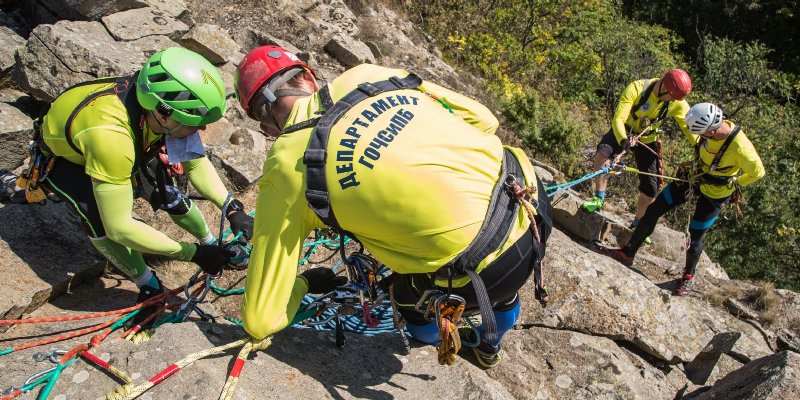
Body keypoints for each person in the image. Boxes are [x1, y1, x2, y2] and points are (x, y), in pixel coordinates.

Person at [235, 45, 552, 368]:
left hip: (485, 268)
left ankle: (451, 335)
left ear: (266, 123)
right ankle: (493, 336)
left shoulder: (285, 164)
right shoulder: (366, 75)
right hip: (530, 199)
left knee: (405, 299)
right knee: (493, 268)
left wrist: (306, 283)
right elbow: (485, 121)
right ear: (307, 77)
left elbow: (260, 320)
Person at [0, 47, 252, 327]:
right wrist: (192, 254)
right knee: (98, 221)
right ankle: (147, 282)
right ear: (164, 115)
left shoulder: (156, 106)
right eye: (193, 124)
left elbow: (194, 162)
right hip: (66, 160)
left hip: (127, 141)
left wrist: (232, 208)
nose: (200, 131)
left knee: (169, 195)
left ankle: (211, 244)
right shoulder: (113, 136)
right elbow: (119, 227)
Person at [601, 102, 765, 295]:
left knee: (696, 236)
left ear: (710, 132)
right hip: (692, 177)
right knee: (654, 210)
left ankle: (688, 277)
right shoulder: (705, 127)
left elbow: (758, 172)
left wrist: (733, 180)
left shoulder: (741, 148)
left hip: (716, 192)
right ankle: (627, 253)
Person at [582, 69, 693, 237]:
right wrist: (623, 140)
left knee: (651, 188)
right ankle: (599, 198)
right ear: (663, 86)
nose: (673, 100)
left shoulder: (676, 102)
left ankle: (637, 223)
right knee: (603, 154)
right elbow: (618, 119)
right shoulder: (637, 88)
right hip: (624, 130)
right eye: (671, 96)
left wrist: (701, 148)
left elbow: (690, 128)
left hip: (647, 139)